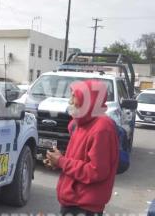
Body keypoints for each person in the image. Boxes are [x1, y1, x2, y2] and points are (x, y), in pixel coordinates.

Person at [45, 79, 119, 216]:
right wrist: (58, 162)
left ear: (89, 100)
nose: (70, 101)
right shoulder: (80, 124)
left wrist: (62, 162)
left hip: (84, 208)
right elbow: (79, 161)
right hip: (72, 202)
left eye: (75, 96)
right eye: (71, 95)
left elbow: (96, 171)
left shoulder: (102, 128)